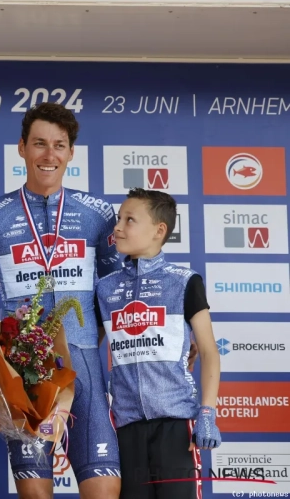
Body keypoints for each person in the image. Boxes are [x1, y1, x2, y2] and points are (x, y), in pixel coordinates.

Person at [0, 102, 123, 499]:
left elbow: (117, 295)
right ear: (22, 148)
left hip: (86, 366)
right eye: (39, 144)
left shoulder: (99, 215)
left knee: (105, 492)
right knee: (35, 494)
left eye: (59, 145)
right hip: (23, 374)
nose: (49, 154)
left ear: (71, 152)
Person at [96, 188, 221, 499]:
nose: (118, 227)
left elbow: (208, 352)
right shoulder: (105, 288)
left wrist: (207, 412)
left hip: (176, 424)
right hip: (125, 426)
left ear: (159, 230)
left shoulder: (184, 281)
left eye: (129, 220)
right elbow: (88, 348)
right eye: (118, 219)